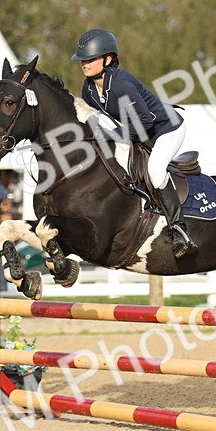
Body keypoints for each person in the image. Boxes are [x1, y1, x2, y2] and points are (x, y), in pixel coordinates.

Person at [72, 27, 196, 258]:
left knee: (155, 171)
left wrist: (111, 135)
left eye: (90, 58)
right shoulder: (88, 89)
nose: (84, 63)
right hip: (139, 130)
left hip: (165, 128)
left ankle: (179, 228)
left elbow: (145, 123)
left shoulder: (120, 85)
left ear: (108, 59)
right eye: (82, 59)